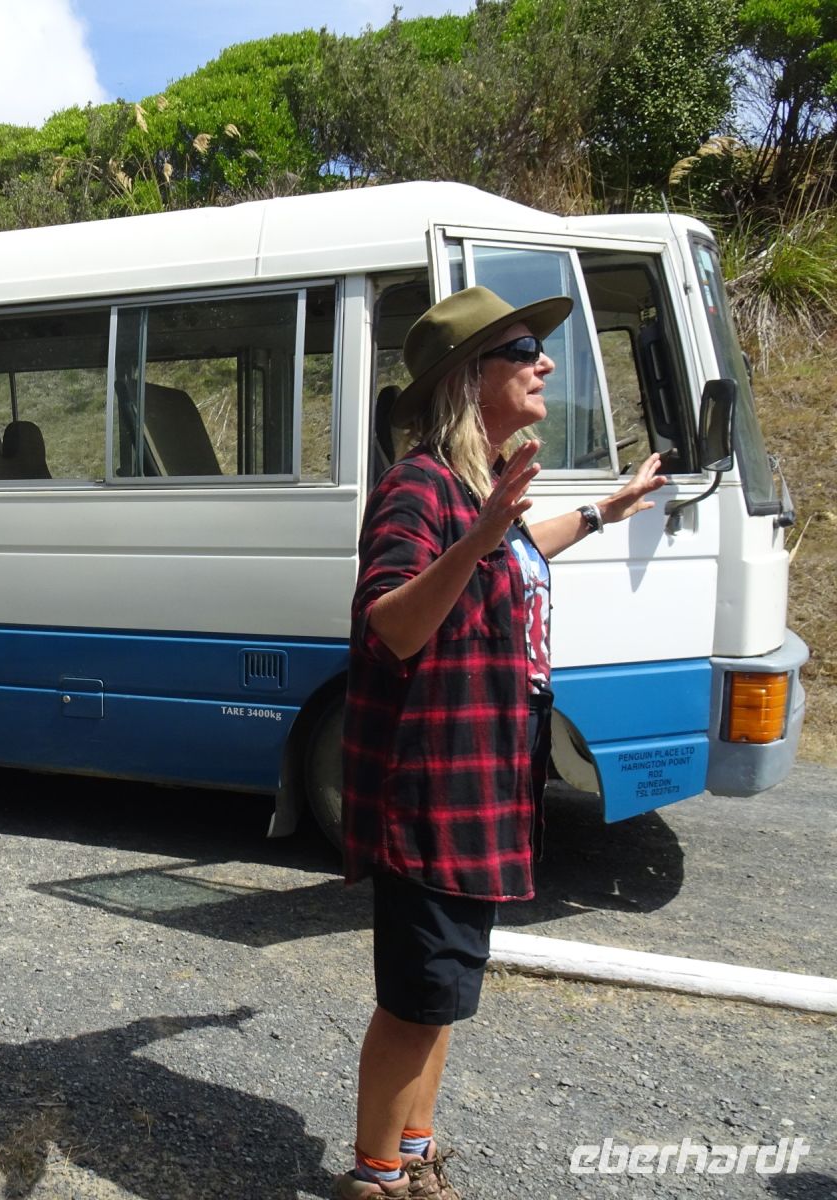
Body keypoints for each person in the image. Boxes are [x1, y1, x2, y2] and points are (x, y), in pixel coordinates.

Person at [333, 286, 668, 1200]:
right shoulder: (420, 487)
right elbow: (388, 625)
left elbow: (515, 552)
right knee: (413, 1003)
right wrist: (479, 537)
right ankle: (373, 1178)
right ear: (463, 379)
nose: (544, 362)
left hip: (482, 789)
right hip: (433, 792)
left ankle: (413, 1156)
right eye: (521, 348)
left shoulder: (477, 491)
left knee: (442, 997)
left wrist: (605, 510)